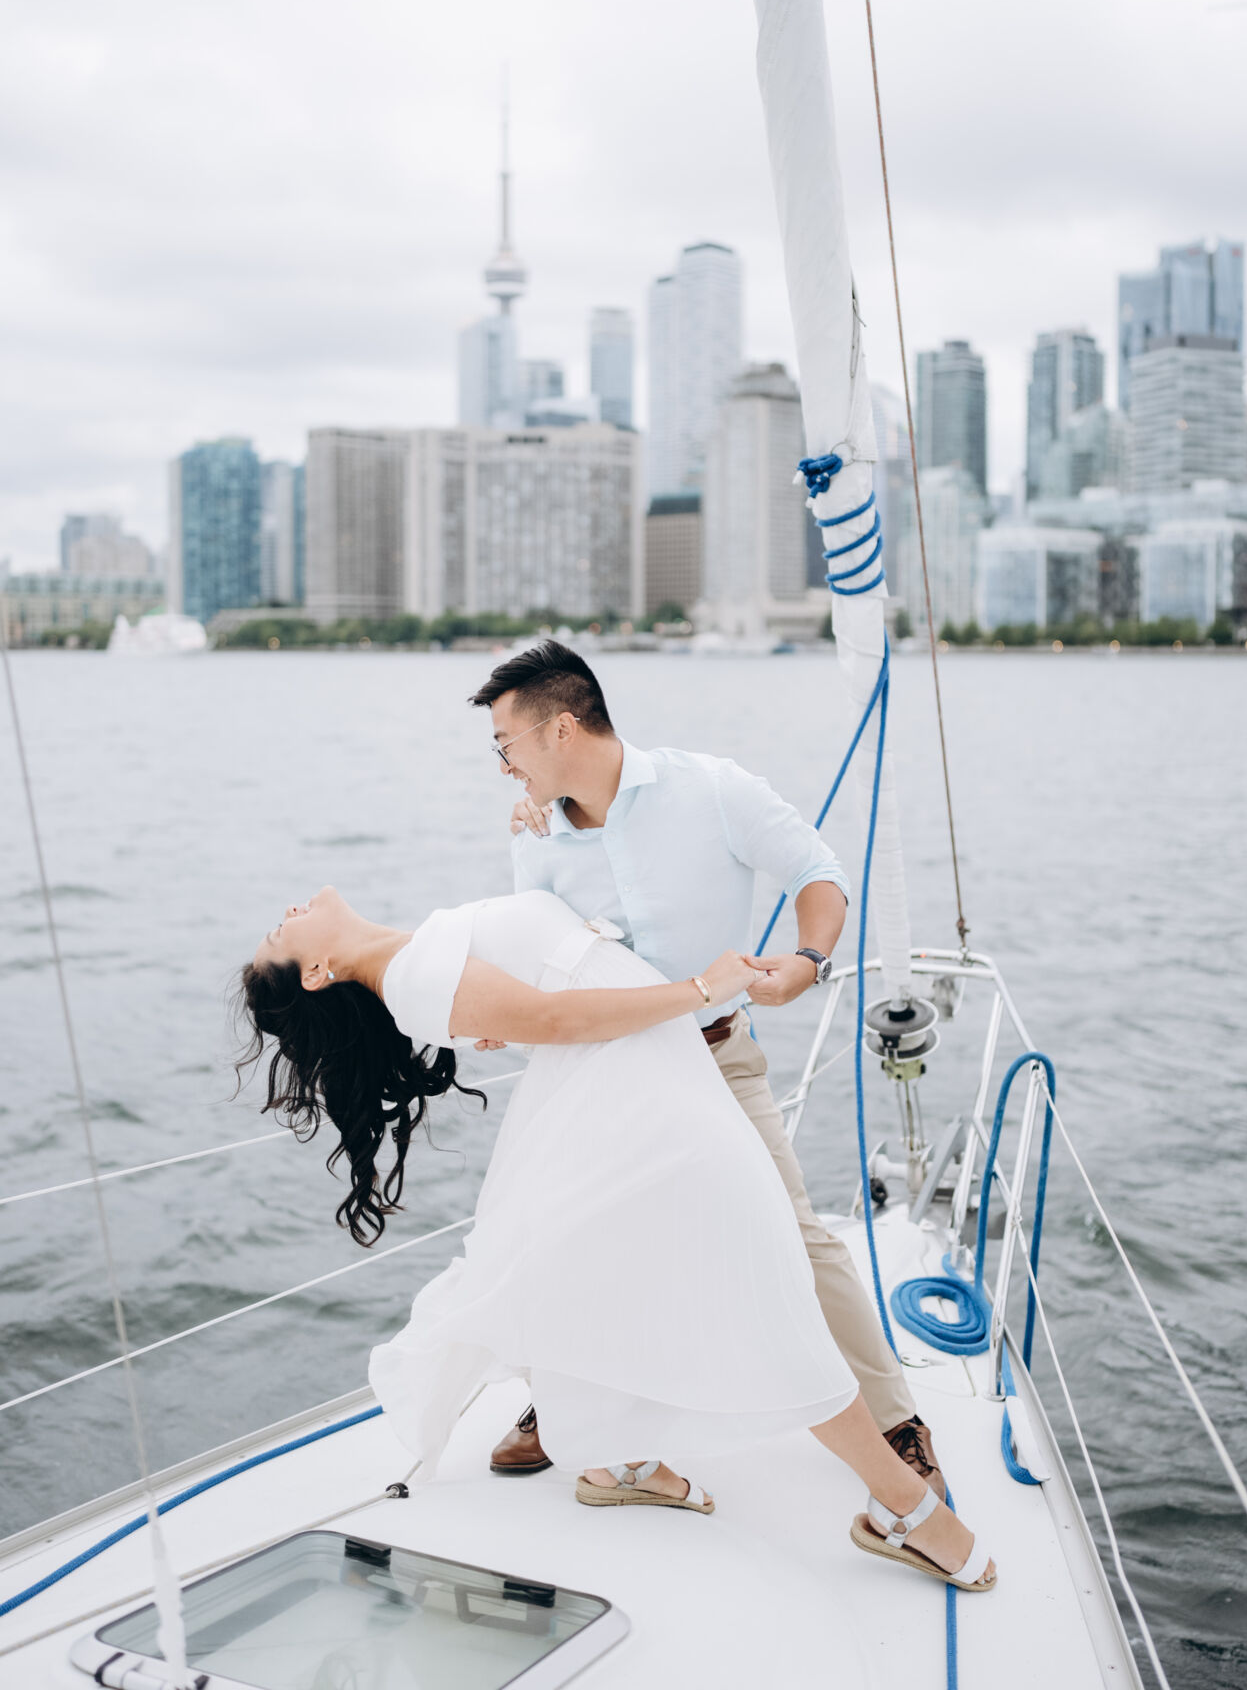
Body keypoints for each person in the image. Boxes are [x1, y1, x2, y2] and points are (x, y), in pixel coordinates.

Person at [238, 883, 995, 1591]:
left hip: (641, 1078)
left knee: (650, 1276)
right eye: (279, 935)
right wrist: (704, 989)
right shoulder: (410, 977)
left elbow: (544, 990)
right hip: (634, 1097)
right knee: (760, 1288)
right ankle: (903, 1508)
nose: (287, 912)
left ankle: (625, 1462)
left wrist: (545, 813)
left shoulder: (415, 958)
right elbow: (558, 1020)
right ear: (317, 972)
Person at [469, 639, 947, 1500]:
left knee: (794, 1237)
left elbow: (817, 872)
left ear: (562, 729)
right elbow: (545, 951)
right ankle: (569, 1409)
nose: (502, 766)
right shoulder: (536, 842)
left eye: (506, 745)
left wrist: (807, 960)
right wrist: (507, 1011)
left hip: (717, 1055)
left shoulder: (712, 790)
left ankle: (896, 1422)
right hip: (604, 1071)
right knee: (573, 1239)